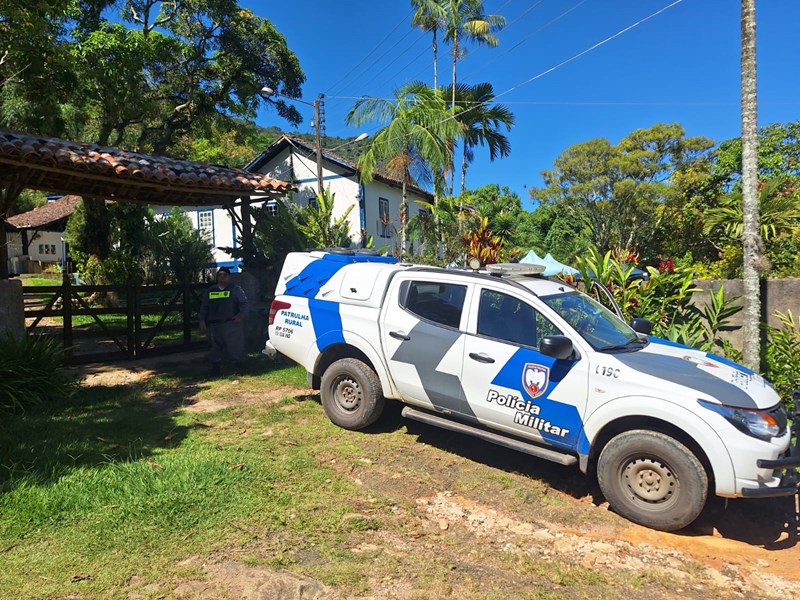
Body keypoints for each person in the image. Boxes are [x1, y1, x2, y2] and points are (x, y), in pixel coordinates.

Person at [199, 267, 249, 376]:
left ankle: (239, 368)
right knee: (215, 348)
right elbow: (204, 307)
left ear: (229, 277)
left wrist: (240, 316)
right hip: (215, 325)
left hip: (231, 324)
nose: (222, 277)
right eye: (220, 275)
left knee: (235, 347)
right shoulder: (211, 291)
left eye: (225, 275)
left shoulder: (236, 289)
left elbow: (244, 304)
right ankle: (216, 369)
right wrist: (202, 320)